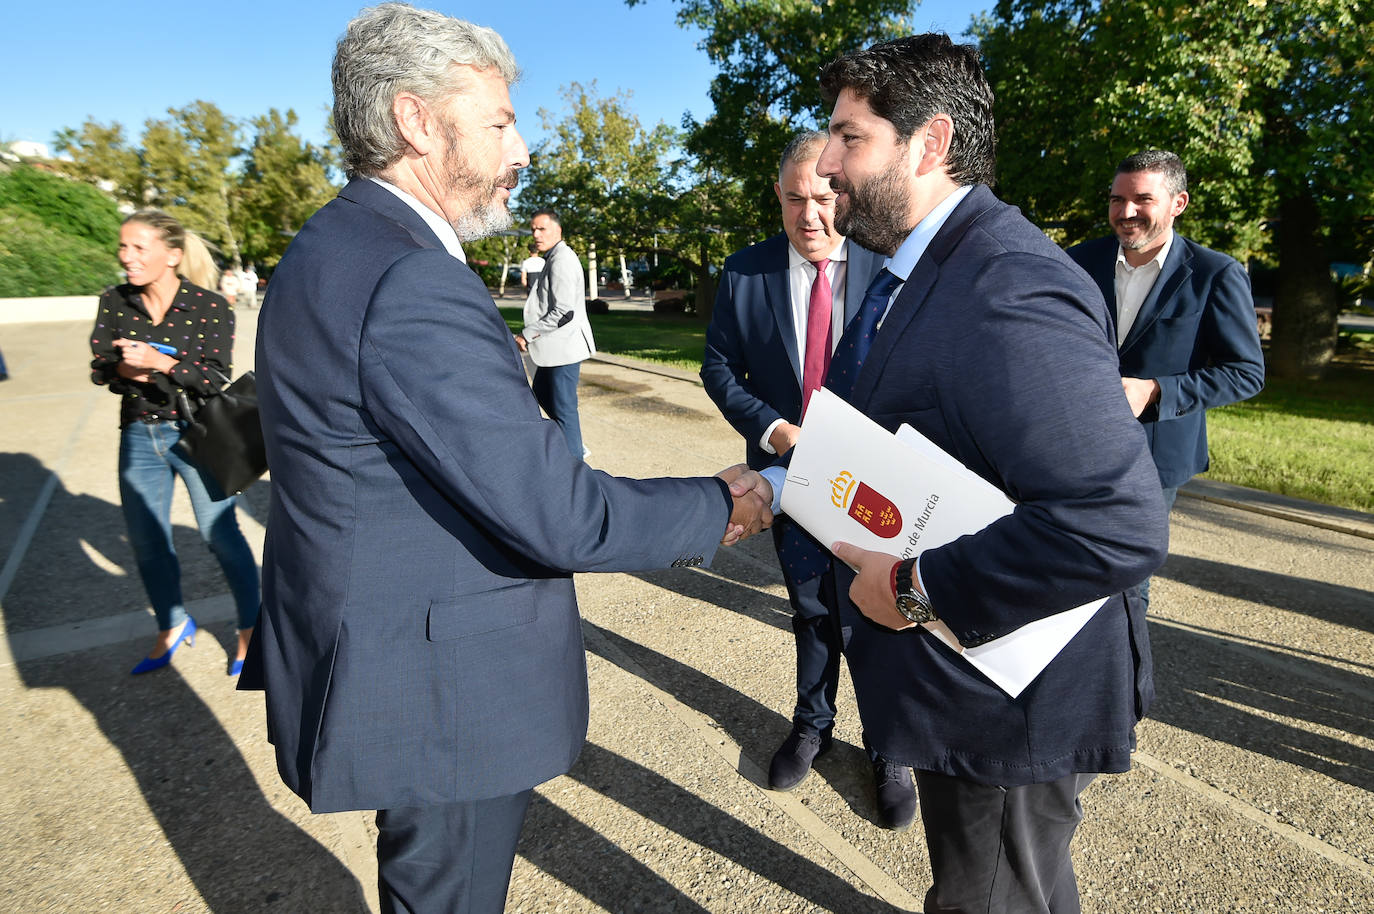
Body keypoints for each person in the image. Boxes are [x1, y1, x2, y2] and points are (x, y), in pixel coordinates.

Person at [239, 6, 771, 912]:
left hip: (382, 649)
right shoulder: (410, 279)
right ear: (415, 120)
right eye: (497, 122)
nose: (520, 147)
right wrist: (720, 502)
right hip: (441, 690)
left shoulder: (329, 244)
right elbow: (561, 513)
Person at [756, 35, 1169, 912]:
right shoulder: (923, 265)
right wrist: (783, 477)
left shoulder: (1006, 281)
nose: (826, 165)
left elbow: (1115, 520)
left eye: (849, 137)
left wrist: (912, 587)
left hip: (1009, 699)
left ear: (929, 143)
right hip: (966, 683)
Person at [701, 130, 916, 829]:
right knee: (814, 608)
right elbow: (719, 369)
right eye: (795, 198)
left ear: (844, 191)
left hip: (880, 483)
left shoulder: (894, 267)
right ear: (778, 197)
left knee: (885, 616)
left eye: (824, 196)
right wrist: (773, 431)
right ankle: (812, 726)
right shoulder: (746, 272)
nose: (810, 215)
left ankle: (892, 746)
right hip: (791, 476)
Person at [1067, 150, 1265, 613]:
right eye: (1117, 199)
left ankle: (1123, 680)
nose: (1126, 212)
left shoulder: (1216, 274)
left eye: (1142, 199)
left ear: (1178, 203)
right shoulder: (1077, 260)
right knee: (1065, 565)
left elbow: (1246, 372)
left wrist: (1154, 391)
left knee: (1127, 583)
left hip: (1152, 459)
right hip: (1070, 442)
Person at [89, 209, 261, 676]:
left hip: (198, 434)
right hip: (139, 434)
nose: (127, 257)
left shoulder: (209, 306)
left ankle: (251, 630)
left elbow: (215, 377)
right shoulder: (115, 302)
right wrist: (126, 368)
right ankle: (171, 623)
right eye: (123, 247)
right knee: (147, 542)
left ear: (172, 255)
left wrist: (162, 364)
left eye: (138, 248)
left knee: (220, 535)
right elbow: (101, 367)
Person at [516, 208, 596, 459]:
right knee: (541, 392)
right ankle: (570, 443)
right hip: (556, 349)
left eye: (542, 229)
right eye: (533, 230)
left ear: (557, 230)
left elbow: (564, 311)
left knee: (564, 408)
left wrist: (527, 334)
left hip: (565, 348)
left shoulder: (561, 259)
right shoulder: (553, 257)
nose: (536, 235)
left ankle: (577, 463)